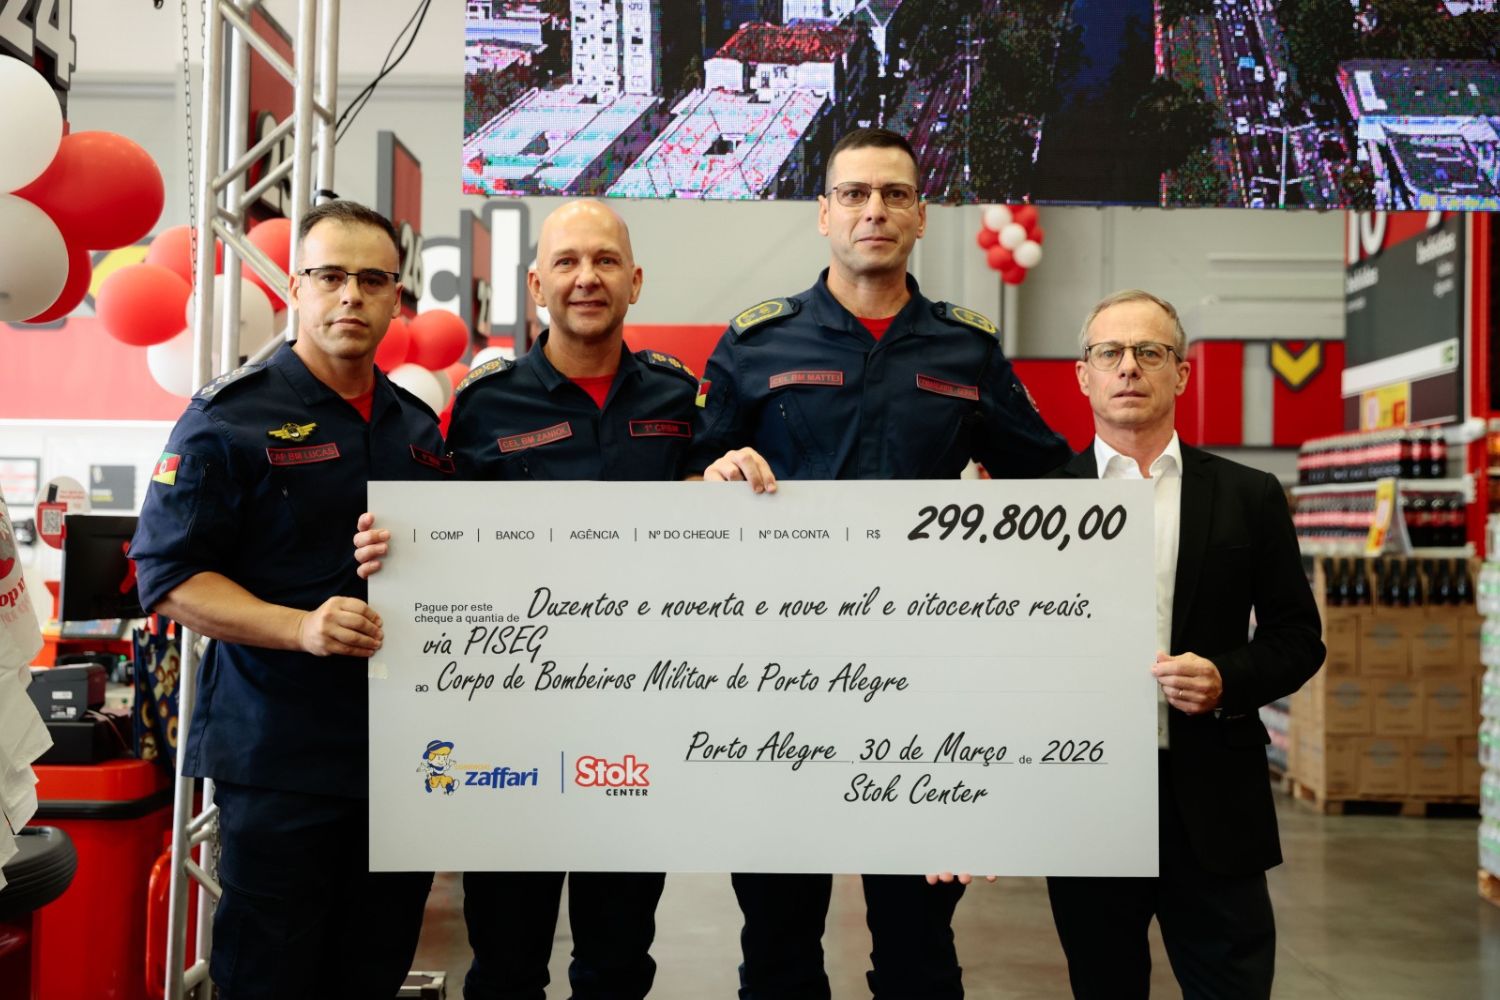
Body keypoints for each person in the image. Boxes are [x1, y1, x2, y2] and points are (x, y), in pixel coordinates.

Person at [687, 127, 1073, 1000]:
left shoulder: (967, 350)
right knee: (777, 941)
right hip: (777, 683)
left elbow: (1051, 482)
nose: (875, 210)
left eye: (895, 194)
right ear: (824, 213)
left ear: (921, 216)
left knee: (917, 942)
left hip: (921, 687)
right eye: (855, 194)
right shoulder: (755, 343)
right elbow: (690, 476)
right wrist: (712, 474)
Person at [355, 199, 696, 1000]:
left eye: (605, 261)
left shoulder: (680, 401)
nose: (587, 278)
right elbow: (442, 540)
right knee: (506, 962)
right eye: (567, 263)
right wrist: (396, 549)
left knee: (620, 961)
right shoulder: (487, 402)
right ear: (537, 285)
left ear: (636, 281)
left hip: (638, 721)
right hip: (510, 729)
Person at [129, 200, 447, 999]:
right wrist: (300, 627)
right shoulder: (228, 417)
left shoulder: (418, 428)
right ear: (295, 287)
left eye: (372, 279)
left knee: (373, 973)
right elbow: (167, 576)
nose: (351, 296)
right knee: (269, 978)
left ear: (396, 296)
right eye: (329, 276)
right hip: (280, 762)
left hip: (406, 763)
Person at [1045, 289, 1323, 999]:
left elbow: (1298, 638)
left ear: (1182, 373)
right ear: (1084, 375)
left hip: (1216, 799)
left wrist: (1227, 677)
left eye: (1150, 351)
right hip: (1087, 799)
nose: (1128, 367)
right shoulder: (1038, 501)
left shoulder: (1248, 495)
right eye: (1110, 352)